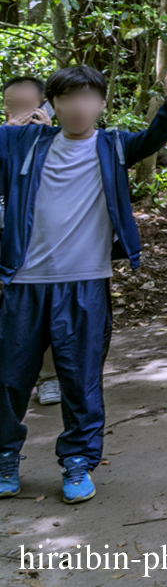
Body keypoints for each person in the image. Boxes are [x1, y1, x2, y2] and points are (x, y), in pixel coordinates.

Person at [0, 57, 167, 505]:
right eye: (68, 97)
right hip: (24, 282)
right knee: (9, 378)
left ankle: (77, 463)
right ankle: (4, 458)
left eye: (88, 97)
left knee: (80, 378)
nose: (78, 106)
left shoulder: (111, 146)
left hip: (85, 282)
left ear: (102, 103)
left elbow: (153, 138)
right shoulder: (24, 142)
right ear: (53, 104)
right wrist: (9, 127)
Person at [1, 78, 63, 409]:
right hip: (5, 242)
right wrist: (10, 138)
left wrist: (49, 134)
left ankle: (49, 378)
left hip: (40, 244)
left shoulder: (56, 139)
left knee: (44, 311)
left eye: (30, 105)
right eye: (14, 105)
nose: (21, 112)